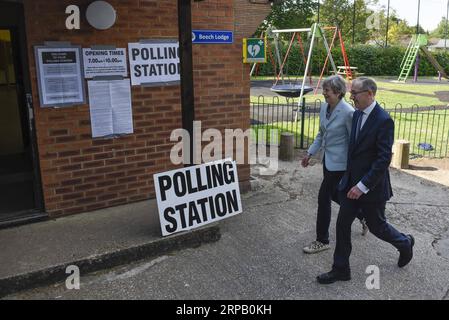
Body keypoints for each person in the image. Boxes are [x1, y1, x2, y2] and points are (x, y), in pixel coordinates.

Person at [317, 77, 415, 284]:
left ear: (370, 94)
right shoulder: (357, 115)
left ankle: (404, 243)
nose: (351, 97)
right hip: (350, 184)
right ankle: (341, 269)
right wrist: (347, 179)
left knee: (378, 226)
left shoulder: (383, 120)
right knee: (342, 225)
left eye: (356, 93)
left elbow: (382, 160)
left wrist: (362, 186)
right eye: (351, 93)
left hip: (371, 188)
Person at [301, 75, 367, 255]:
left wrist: (354, 167)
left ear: (338, 93)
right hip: (327, 161)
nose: (323, 94)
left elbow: (354, 141)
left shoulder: (348, 112)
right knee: (337, 195)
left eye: (327, 91)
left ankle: (322, 240)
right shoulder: (324, 108)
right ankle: (363, 216)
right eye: (324, 90)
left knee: (323, 197)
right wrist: (310, 153)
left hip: (341, 164)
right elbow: (321, 134)